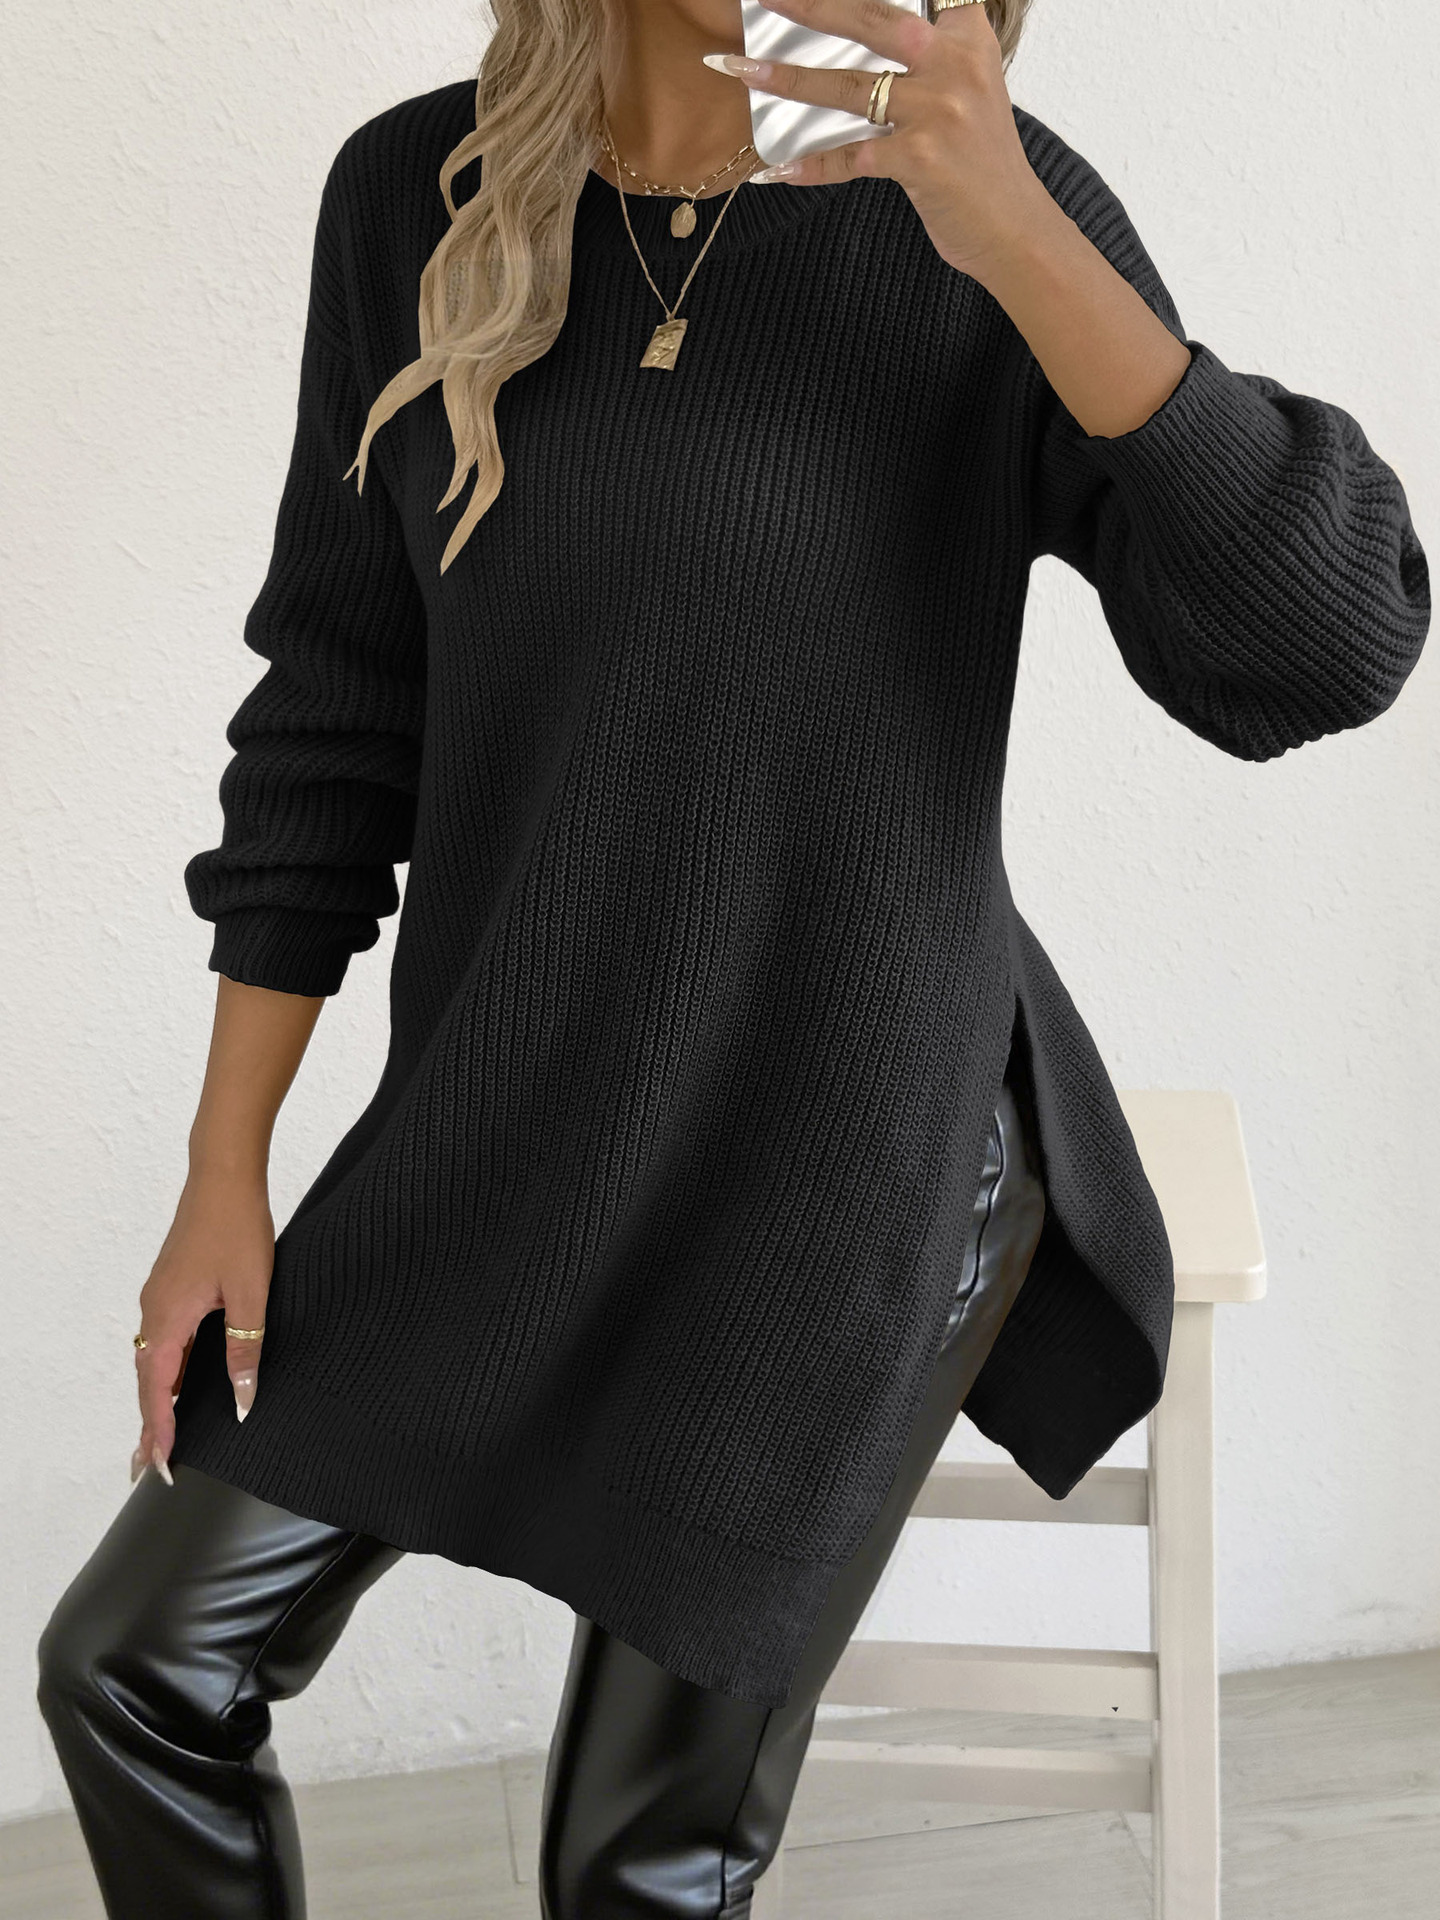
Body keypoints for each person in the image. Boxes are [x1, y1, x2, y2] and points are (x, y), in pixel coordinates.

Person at [35, 0, 1429, 1913]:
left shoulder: (979, 205)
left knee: (638, 1868)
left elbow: (1328, 647)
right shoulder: (416, 196)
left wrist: (1016, 230)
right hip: (523, 1104)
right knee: (135, 1669)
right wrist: (226, 1168)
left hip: (848, 1137)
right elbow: (335, 714)